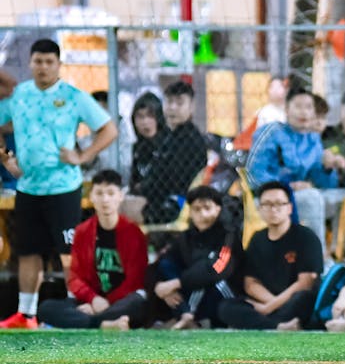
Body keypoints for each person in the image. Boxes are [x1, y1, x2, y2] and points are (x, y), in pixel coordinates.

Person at [0, 39, 118, 329]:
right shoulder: (19, 96)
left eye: (49, 62)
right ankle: (26, 315)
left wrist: (82, 155)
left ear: (58, 65)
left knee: (68, 254)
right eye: (38, 61)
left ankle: (72, 312)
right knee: (27, 253)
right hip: (28, 189)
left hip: (64, 188)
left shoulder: (73, 96)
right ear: (30, 64)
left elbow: (108, 129)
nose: (43, 67)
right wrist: (5, 158)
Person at [37, 170, 148, 330]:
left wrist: (106, 303)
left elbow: (135, 280)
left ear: (120, 196)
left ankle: (89, 321)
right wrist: (93, 300)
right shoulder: (82, 232)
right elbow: (75, 278)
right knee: (46, 308)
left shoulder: (133, 233)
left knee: (138, 303)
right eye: (99, 193)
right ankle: (103, 324)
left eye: (110, 193)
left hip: (121, 301)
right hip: (92, 301)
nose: (105, 199)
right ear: (91, 197)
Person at [246, 88, 345, 253]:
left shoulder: (313, 139)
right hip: (266, 197)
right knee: (312, 198)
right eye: (298, 106)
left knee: (343, 198)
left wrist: (327, 168)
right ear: (287, 109)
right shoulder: (272, 132)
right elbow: (254, 172)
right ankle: (317, 258)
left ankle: (338, 251)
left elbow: (322, 182)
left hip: (300, 196)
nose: (304, 112)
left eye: (308, 107)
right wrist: (287, 187)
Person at [217, 181, 323, 331]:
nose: (273, 209)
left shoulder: (306, 237)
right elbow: (250, 283)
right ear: (260, 209)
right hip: (266, 302)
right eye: (267, 204)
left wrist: (269, 307)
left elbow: (305, 283)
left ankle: (264, 323)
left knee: (304, 298)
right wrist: (270, 304)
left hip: (292, 301)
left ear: (289, 208)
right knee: (226, 307)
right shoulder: (257, 239)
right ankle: (278, 325)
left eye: (279, 204)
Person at [153, 185, 243, 329]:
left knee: (203, 277)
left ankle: (188, 315)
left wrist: (178, 283)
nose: (202, 214)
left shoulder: (228, 236)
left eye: (207, 208)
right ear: (190, 212)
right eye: (197, 209)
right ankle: (185, 315)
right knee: (166, 266)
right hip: (194, 295)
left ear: (218, 209)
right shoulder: (185, 237)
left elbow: (218, 268)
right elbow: (163, 262)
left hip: (222, 294)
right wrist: (161, 287)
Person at [140, 81, 208, 224]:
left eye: (179, 103)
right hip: (161, 200)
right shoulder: (167, 136)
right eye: (169, 102)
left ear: (191, 107)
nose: (173, 108)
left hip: (178, 204)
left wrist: (143, 190)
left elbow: (171, 179)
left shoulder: (190, 139)